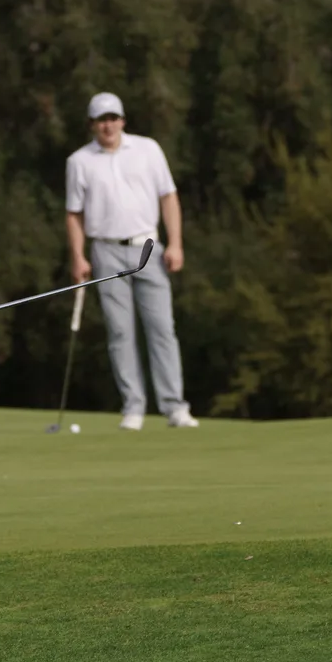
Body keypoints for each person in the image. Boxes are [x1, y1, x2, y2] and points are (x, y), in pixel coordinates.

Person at [64, 91, 199, 430]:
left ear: (122, 120)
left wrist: (176, 244)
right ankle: (133, 407)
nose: (108, 125)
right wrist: (78, 256)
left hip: (148, 246)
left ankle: (174, 407)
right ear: (92, 124)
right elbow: (74, 214)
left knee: (162, 328)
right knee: (120, 332)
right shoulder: (79, 161)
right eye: (101, 120)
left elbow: (168, 197)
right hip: (106, 250)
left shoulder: (148, 149)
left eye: (113, 118)